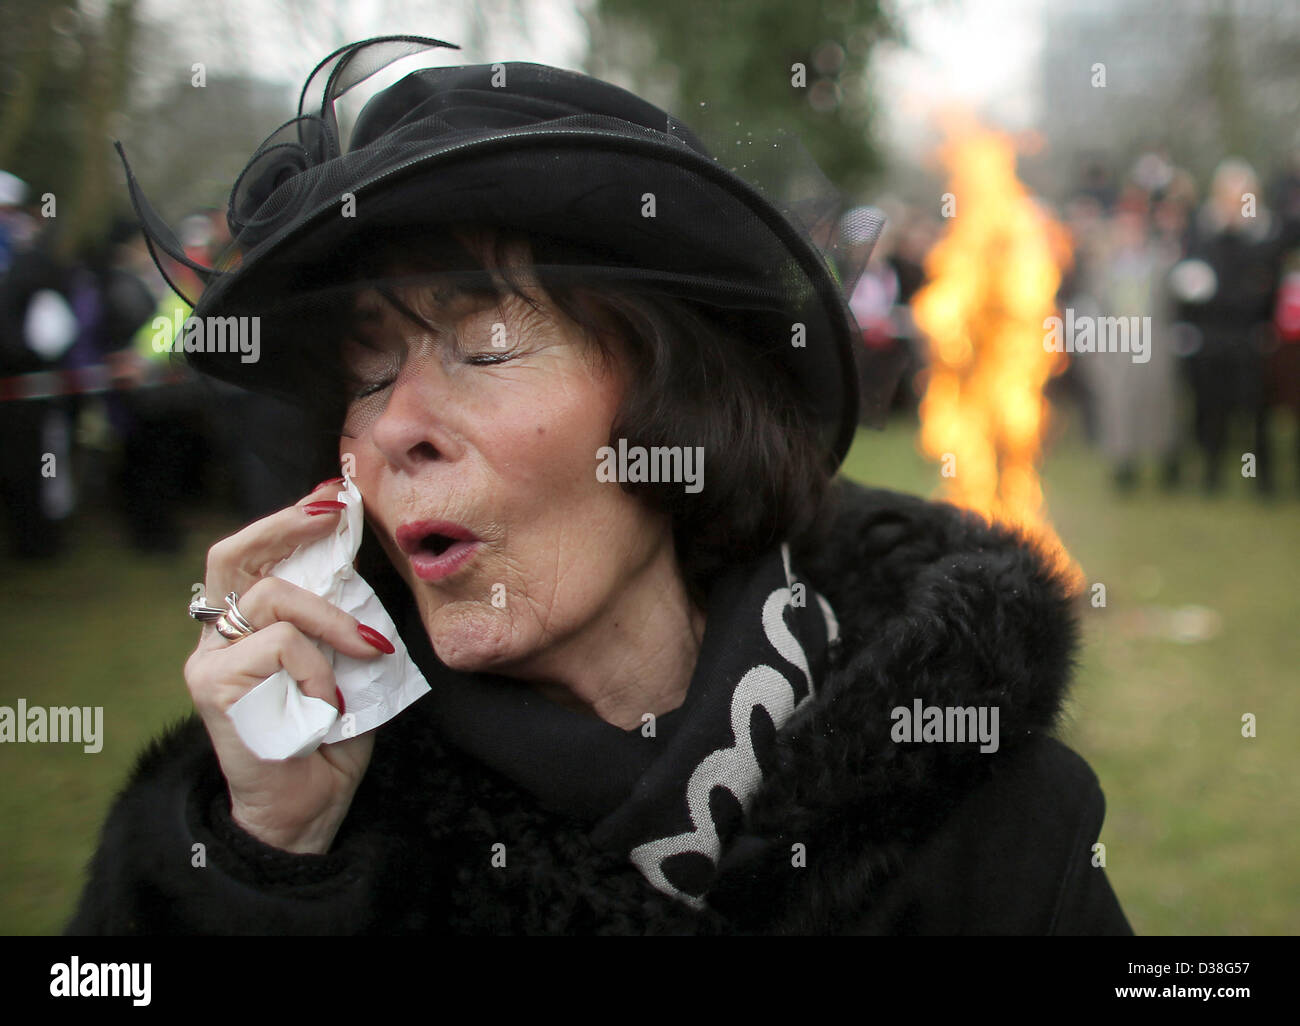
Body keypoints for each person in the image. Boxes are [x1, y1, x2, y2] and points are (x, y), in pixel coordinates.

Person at [66, 36, 1130, 935]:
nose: (392, 427)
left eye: (483, 346)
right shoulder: (318, 831)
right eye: (364, 374)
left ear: (679, 399)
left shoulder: (987, 818)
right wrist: (263, 869)